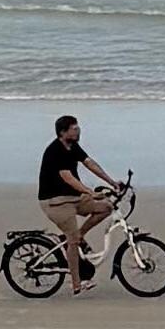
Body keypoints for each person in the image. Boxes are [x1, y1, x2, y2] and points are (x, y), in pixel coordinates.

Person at [34, 109, 122, 307]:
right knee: (71, 240)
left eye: (77, 127)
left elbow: (90, 164)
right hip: (55, 201)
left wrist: (111, 182)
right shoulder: (55, 150)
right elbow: (67, 177)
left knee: (105, 207)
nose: (78, 130)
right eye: (74, 128)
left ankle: (80, 235)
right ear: (63, 133)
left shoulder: (73, 147)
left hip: (74, 197)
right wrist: (89, 192)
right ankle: (77, 282)